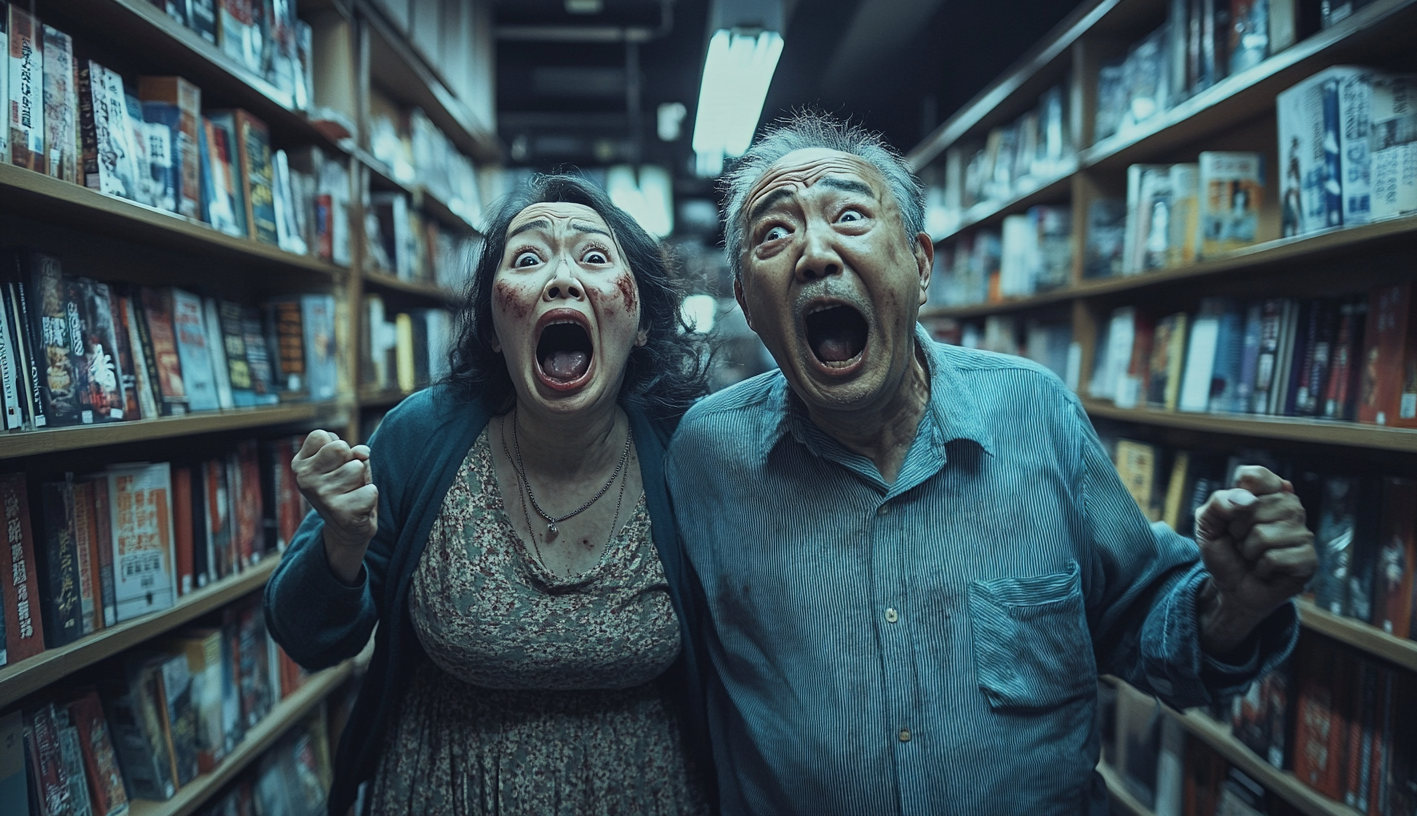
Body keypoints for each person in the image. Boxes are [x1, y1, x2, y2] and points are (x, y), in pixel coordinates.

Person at [666, 114, 1317, 815]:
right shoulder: (708, 457)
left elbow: (1138, 616)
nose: (815, 253)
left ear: (919, 265)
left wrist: (1234, 605)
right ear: (748, 304)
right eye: (775, 233)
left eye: (849, 214)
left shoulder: (1034, 412)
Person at [265, 175, 713, 816]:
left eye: (594, 257)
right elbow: (307, 637)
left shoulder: (686, 452)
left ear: (638, 319)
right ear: (497, 327)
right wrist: (340, 545)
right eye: (527, 259)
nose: (561, 280)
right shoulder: (419, 436)